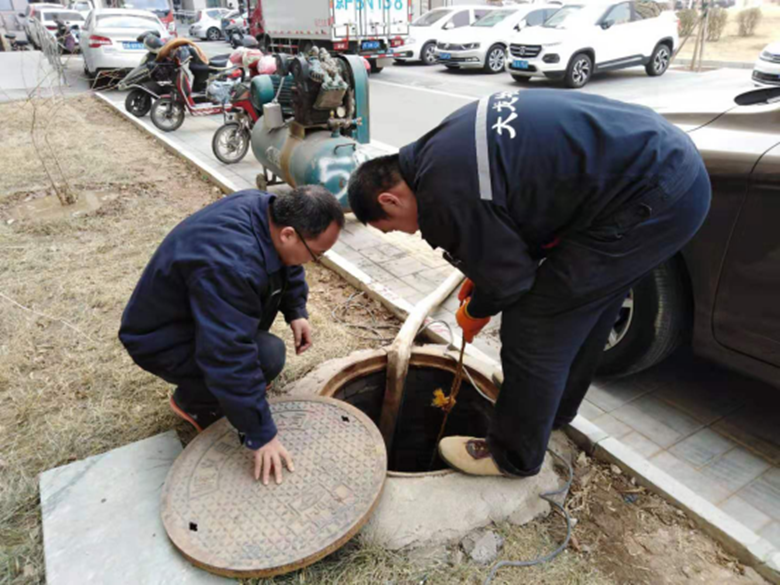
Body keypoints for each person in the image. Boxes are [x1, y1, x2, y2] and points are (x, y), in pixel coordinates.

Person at [347, 89, 711, 478]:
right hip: (669, 170)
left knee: (533, 321)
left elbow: (511, 284)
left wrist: (477, 309)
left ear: (389, 200)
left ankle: (512, 454)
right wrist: (481, 273)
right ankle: (550, 406)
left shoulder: (441, 195)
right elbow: (511, 214)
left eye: (394, 228)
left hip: (650, 197)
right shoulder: (439, 148)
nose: (409, 232)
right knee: (591, 305)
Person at [119, 186, 344, 485]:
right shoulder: (231, 264)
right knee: (266, 356)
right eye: (316, 254)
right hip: (159, 339)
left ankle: (226, 394)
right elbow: (228, 354)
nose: (312, 261)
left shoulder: (266, 210)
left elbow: (288, 263)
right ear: (288, 234)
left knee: (261, 355)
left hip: (193, 318)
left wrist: (296, 310)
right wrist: (261, 434)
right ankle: (196, 403)